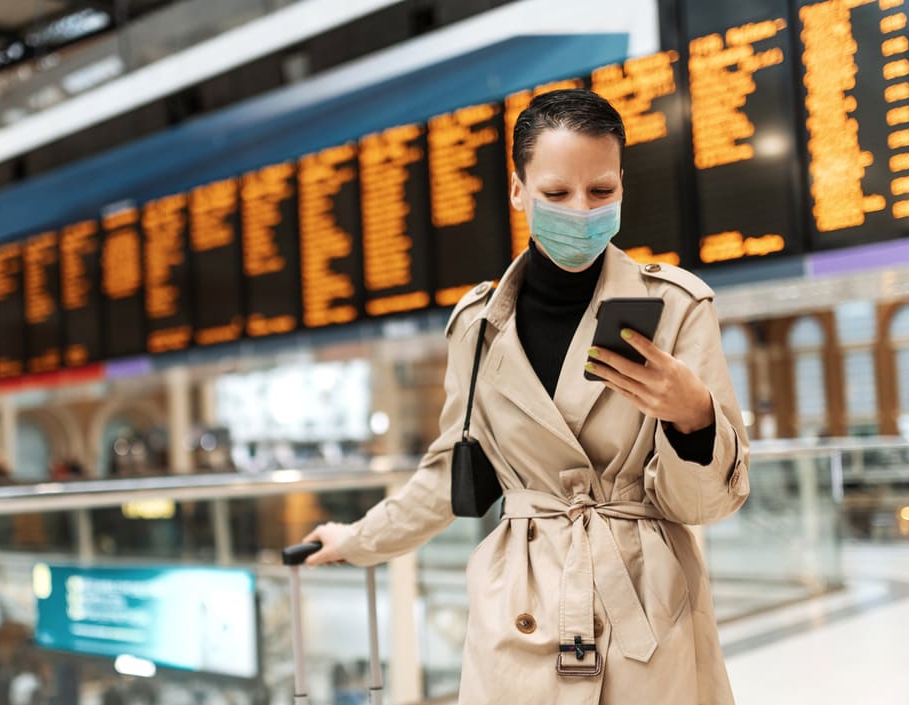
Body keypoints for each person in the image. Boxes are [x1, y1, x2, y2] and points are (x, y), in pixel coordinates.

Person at [302, 89, 750, 704]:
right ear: (518, 192)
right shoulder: (477, 326)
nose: (581, 211)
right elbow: (448, 472)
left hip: (647, 607)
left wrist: (693, 416)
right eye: (556, 193)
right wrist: (358, 540)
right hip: (521, 604)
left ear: (622, 186)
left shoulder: (677, 306)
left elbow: (704, 505)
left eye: (600, 192)